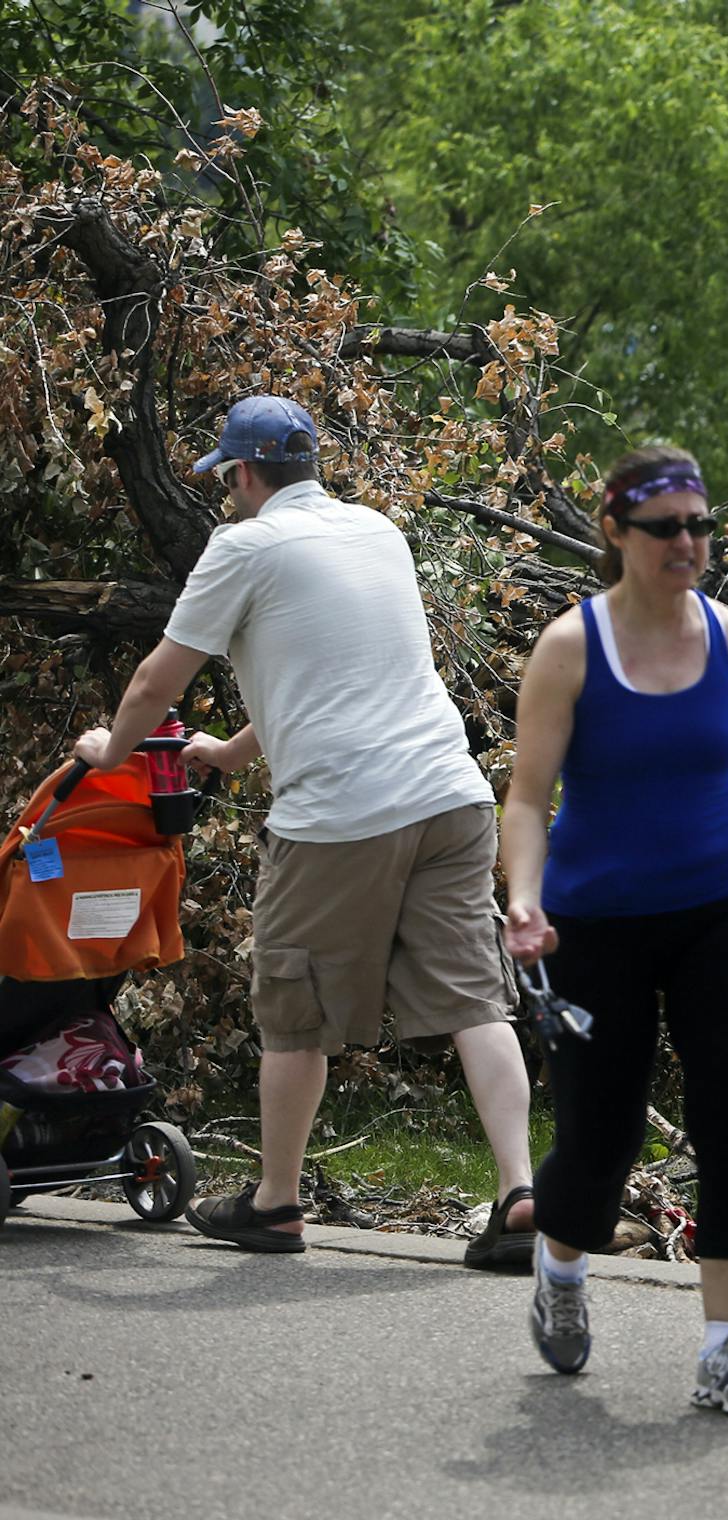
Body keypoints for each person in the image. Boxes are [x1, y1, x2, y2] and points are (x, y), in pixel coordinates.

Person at [72, 395, 536, 1265]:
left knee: (294, 1005)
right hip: (448, 793)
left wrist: (110, 756)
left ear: (243, 474)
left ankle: (275, 1203)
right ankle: (519, 1193)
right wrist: (237, 750)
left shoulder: (242, 546)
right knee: (475, 998)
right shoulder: (378, 533)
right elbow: (350, 673)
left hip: (341, 815)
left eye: (229, 480)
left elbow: (151, 685)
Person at [500, 444, 728, 1419]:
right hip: (595, 921)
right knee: (601, 1128)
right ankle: (563, 1266)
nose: (688, 543)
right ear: (617, 533)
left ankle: (722, 1347)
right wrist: (526, 898)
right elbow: (527, 797)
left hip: (719, 911)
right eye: (666, 527)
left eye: (700, 524)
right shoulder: (571, 649)